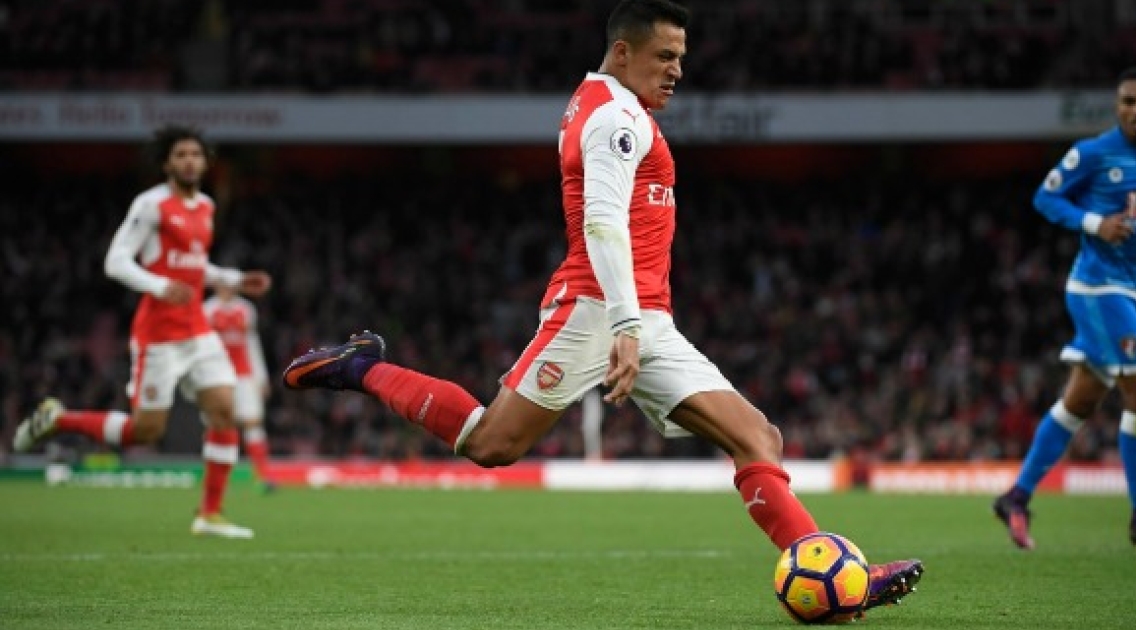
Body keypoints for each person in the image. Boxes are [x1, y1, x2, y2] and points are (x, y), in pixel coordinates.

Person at [283, 0, 922, 612]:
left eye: (681, 58)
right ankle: (360, 367)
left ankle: (839, 580)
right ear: (622, 51)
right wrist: (625, 325)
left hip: (643, 315)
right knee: (493, 443)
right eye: (664, 55)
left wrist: (639, 323)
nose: (676, 70)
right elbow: (602, 222)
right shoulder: (615, 117)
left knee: (756, 436)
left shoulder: (610, 106)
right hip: (596, 309)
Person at [13, 124, 272, 539]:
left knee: (224, 411)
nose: (189, 161)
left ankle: (209, 514)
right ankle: (60, 420)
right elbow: (116, 261)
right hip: (159, 336)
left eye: (195, 154)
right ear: (167, 163)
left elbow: (194, 265)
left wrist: (235, 279)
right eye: (180, 155)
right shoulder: (151, 205)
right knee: (145, 431)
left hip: (198, 330)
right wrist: (158, 285)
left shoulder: (205, 206)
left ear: (206, 162)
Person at [993, 67, 1136, 550]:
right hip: (1097, 288)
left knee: (1079, 402)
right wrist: (1095, 222)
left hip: (1132, 289)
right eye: (1129, 102)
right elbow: (1045, 197)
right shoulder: (1093, 153)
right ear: (1118, 107)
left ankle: (1016, 497)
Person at [204, 281, 274, 489]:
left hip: (244, 375)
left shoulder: (246, 309)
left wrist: (261, 377)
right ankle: (216, 477)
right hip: (218, 375)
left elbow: (252, 343)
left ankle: (262, 477)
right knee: (219, 424)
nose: (227, 288)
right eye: (224, 284)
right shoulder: (208, 310)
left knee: (253, 422)